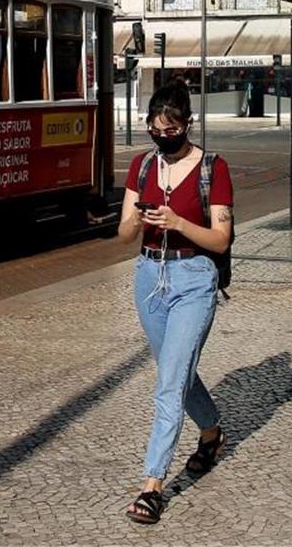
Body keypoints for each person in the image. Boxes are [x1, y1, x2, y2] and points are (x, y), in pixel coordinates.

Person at [116, 83, 234, 525]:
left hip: (194, 279)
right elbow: (123, 237)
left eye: (171, 128)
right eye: (155, 127)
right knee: (177, 369)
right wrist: (135, 219)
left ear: (187, 124)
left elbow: (219, 239)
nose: (162, 135)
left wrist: (179, 221)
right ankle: (212, 432)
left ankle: (152, 485)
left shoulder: (212, 168)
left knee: (169, 381)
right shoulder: (142, 166)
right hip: (149, 276)